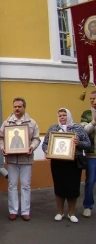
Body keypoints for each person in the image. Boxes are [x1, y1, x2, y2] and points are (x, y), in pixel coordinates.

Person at [42, 108, 90, 223]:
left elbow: (88, 144)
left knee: (72, 188)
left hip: (73, 163)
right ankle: (60, 212)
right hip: (57, 163)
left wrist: (79, 143)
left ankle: (71, 213)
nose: (62, 117)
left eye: (64, 115)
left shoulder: (77, 128)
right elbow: (45, 144)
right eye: (60, 115)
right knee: (59, 187)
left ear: (69, 116)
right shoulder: (53, 128)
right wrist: (47, 151)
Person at [0, 97, 40, 221]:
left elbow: (36, 138)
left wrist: (32, 147)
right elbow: (0, 138)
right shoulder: (7, 123)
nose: (17, 108)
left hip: (26, 159)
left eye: (19, 106)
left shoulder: (31, 123)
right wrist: (3, 148)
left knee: (26, 185)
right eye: (15, 106)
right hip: (11, 159)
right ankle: (13, 210)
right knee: (12, 185)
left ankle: (25, 211)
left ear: (24, 107)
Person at [80, 90, 96, 218]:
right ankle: (88, 206)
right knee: (90, 181)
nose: (92, 100)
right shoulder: (86, 114)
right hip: (92, 154)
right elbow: (84, 131)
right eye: (91, 98)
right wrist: (93, 122)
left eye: (94, 98)